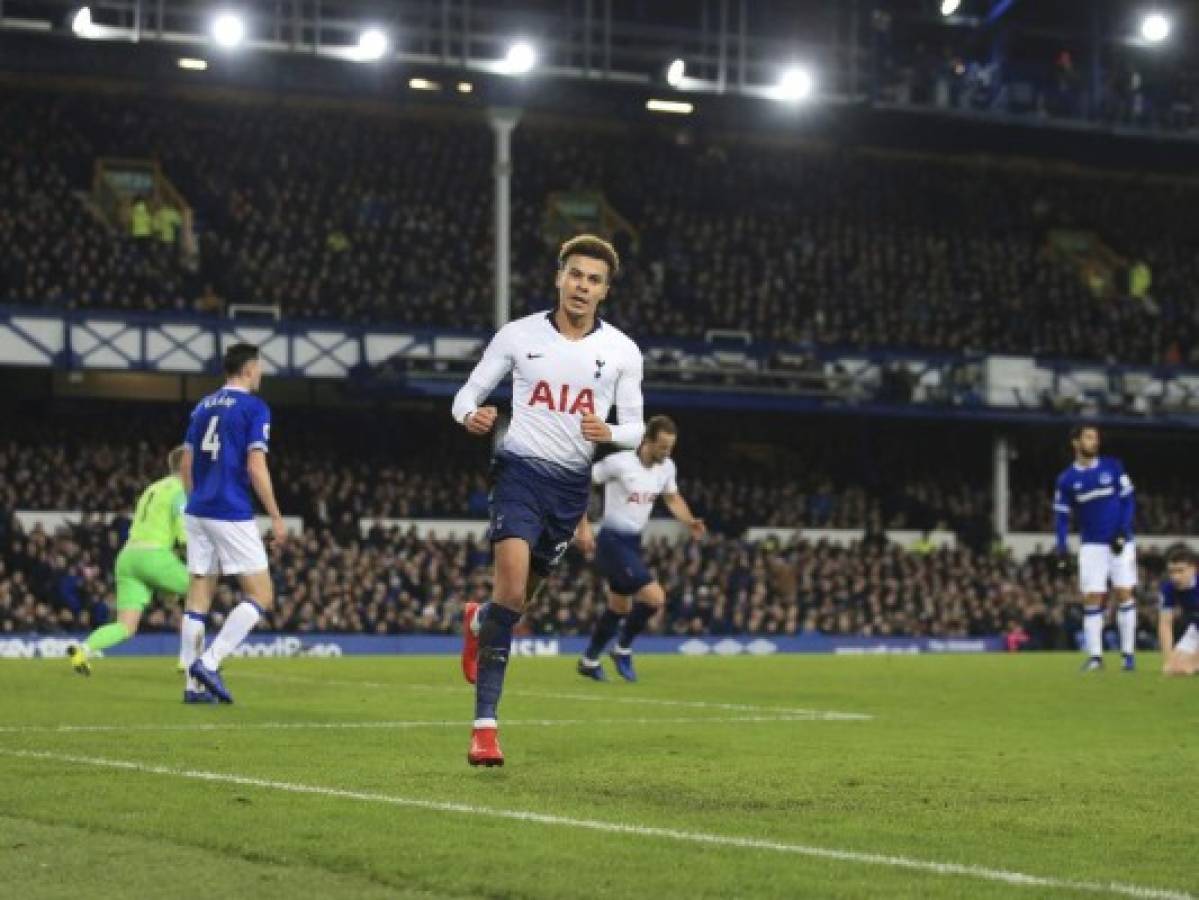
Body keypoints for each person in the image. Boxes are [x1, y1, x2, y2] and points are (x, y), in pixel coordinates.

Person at [451, 234, 644, 767]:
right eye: (576, 275)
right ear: (559, 277)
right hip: (518, 474)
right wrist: (470, 415)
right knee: (511, 591)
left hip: (569, 488)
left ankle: (477, 621)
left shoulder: (623, 352)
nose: (583, 286)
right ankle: (485, 728)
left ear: (605, 291)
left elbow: (636, 427)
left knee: (514, 605)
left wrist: (608, 431)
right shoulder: (517, 336)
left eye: (595, 280)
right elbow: (466, 394)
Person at [180, 343, 287, 703]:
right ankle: (209, 662)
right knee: (262, 594)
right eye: (260, 367)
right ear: (248, 368)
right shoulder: (253, 407)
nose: (261, 373)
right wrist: (274, 515)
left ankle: (192, 687)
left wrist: (197, 500)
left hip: (197, 509)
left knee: (199, 594)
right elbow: (256, 465)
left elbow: (186, 462)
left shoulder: (202, 406)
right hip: (230, 509)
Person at [574, 415, 705, 682]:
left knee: (619, 608)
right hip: (611, 541)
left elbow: (672, 498)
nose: (667, 452)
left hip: (633, 542)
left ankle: (589, 660)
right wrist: (583, 526)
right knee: (655, 597)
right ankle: (622, 648)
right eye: (663, 447)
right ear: (647, 440)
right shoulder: (619, 463)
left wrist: (689, 520)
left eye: (670, 447)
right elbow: (579, 482)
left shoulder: (666, 467)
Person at [68, 446, 199, 695]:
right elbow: (184, 537)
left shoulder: (152, 488)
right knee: (199, 592)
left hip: (128, 557)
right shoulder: (181, 492)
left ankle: (82, 651)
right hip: (154, 555)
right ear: (185, 466)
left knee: (126, 626)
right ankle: (189, 661)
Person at [1053, 425, 1137, 672]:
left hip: (1121, 541)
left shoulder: (1113, 466)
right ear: (1075, 442)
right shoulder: (1066, 479)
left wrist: (1122, 531)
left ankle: (1128, 656)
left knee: (1124, 593)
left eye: (1096, 438)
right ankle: (1095, 658)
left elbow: (1128, 500)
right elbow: (1061, 517)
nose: (1094, 442)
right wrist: (1061, 547)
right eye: (1089, 437)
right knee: (1092, 597)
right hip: (1091, 545)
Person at [1157, 545, 1199, 677]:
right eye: (1172, 572)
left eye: (1181, 571)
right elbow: (1165, 624)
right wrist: (1168, 660)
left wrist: (1194, 661)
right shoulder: (1168, 588)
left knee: (1189, 666)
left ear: (1194, 569)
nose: (1175, 577)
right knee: (1175, 668)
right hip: (1196, 629)